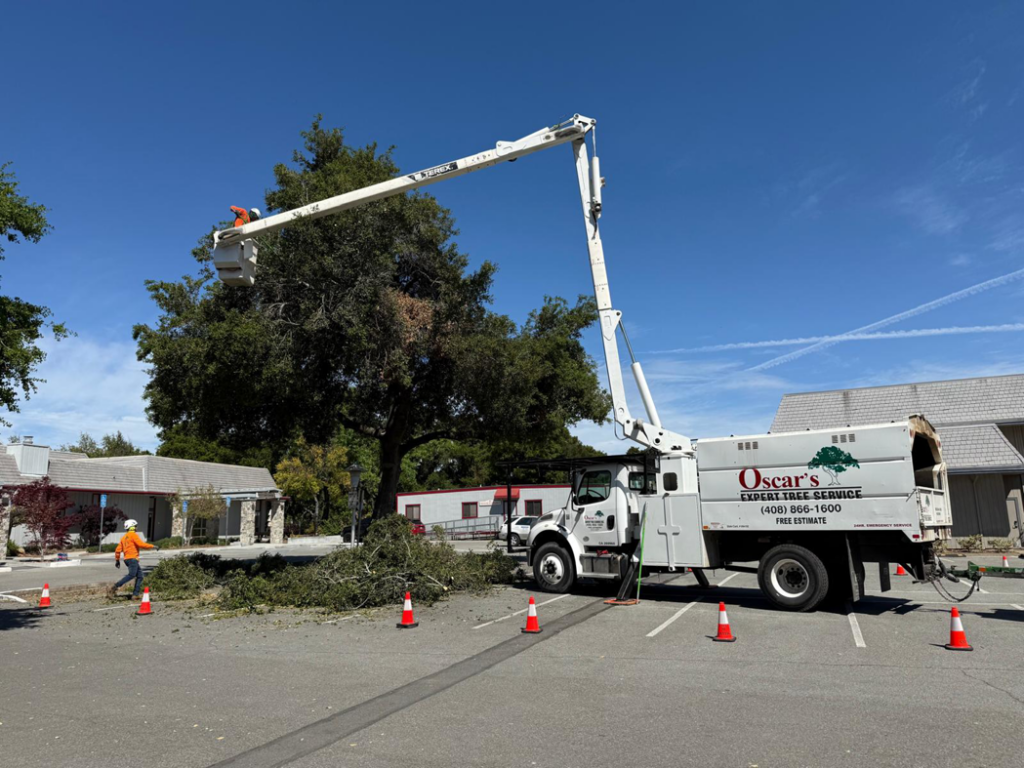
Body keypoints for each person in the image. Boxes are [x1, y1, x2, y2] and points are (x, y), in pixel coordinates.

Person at [108, 519, 159, 599]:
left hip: (127, 560)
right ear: (132, 527)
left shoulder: (124, 537)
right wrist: (153, 546)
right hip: (132, 559)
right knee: (132, 575)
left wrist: (117, 560)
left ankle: (135, 595)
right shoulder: (133, 535)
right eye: (135, 526)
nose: (136, 527)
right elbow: (141, 544)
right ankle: (115, 587)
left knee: (140, 576)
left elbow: (117, 550)